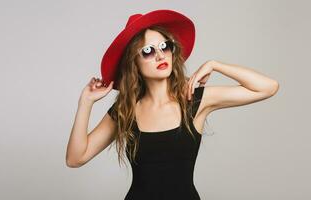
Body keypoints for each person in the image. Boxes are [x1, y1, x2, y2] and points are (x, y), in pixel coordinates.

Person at [66, 9, 279, 200]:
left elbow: (268, 87)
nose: (160, 55)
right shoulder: (125, 111)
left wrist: (215, 65)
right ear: (135, 64)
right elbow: (75, 158)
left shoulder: (194, 100)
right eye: (148, 51)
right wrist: (85, 102)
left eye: (164, 46)